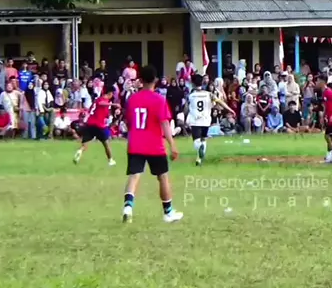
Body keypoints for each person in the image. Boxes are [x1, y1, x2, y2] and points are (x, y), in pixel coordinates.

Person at [122, 65, 183, 224]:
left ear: (140, 80)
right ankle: (168, 212)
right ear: (155, 80)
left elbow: (129, 122)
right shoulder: (159, 99)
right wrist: (172, 144)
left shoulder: (132, 99)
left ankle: (128, 207)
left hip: (135, 143)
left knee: (134, 176)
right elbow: (165, 124)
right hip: (154, 145)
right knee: (163, 177)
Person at [183, 74, 234, 166]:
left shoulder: (191, 96)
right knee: (203, 139)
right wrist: (230, 110)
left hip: (195, 120)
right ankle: (199, 159)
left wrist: (184, 115)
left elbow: (186, 108)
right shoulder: (209, 94)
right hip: (206, 121)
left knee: (196, 141)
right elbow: (220, 102)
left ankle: (200, 149)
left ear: (193, 84)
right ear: (202, 82)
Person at [73, 86, 118, 166]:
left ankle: (80, 151)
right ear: (110, 93)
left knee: (85, 143)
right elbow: (101, 103)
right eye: (113, 94)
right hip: (99, 125)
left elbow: (104, 113)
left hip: (90, 124)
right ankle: (110, 160)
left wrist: (112, 113)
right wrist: (113, 104)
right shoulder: (102, 100)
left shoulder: (98, 100)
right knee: (106, 144)